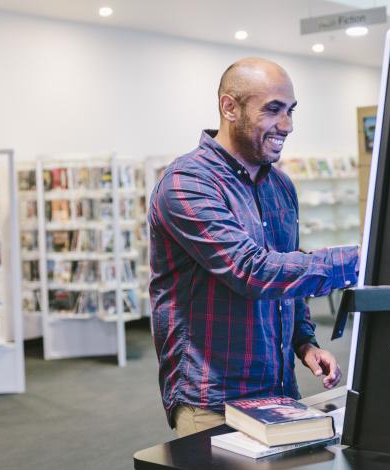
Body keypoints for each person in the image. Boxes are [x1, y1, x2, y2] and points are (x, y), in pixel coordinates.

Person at [148, 57, 359, 437]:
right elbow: (253, 271)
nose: (287, 125)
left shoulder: (280, 186)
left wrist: (305, 344)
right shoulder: (186, 183)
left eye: (291, 111)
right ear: (230, 107)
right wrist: (361, 259)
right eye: (273, 110)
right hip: (213, 401)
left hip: (279, 391)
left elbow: (287, 280)